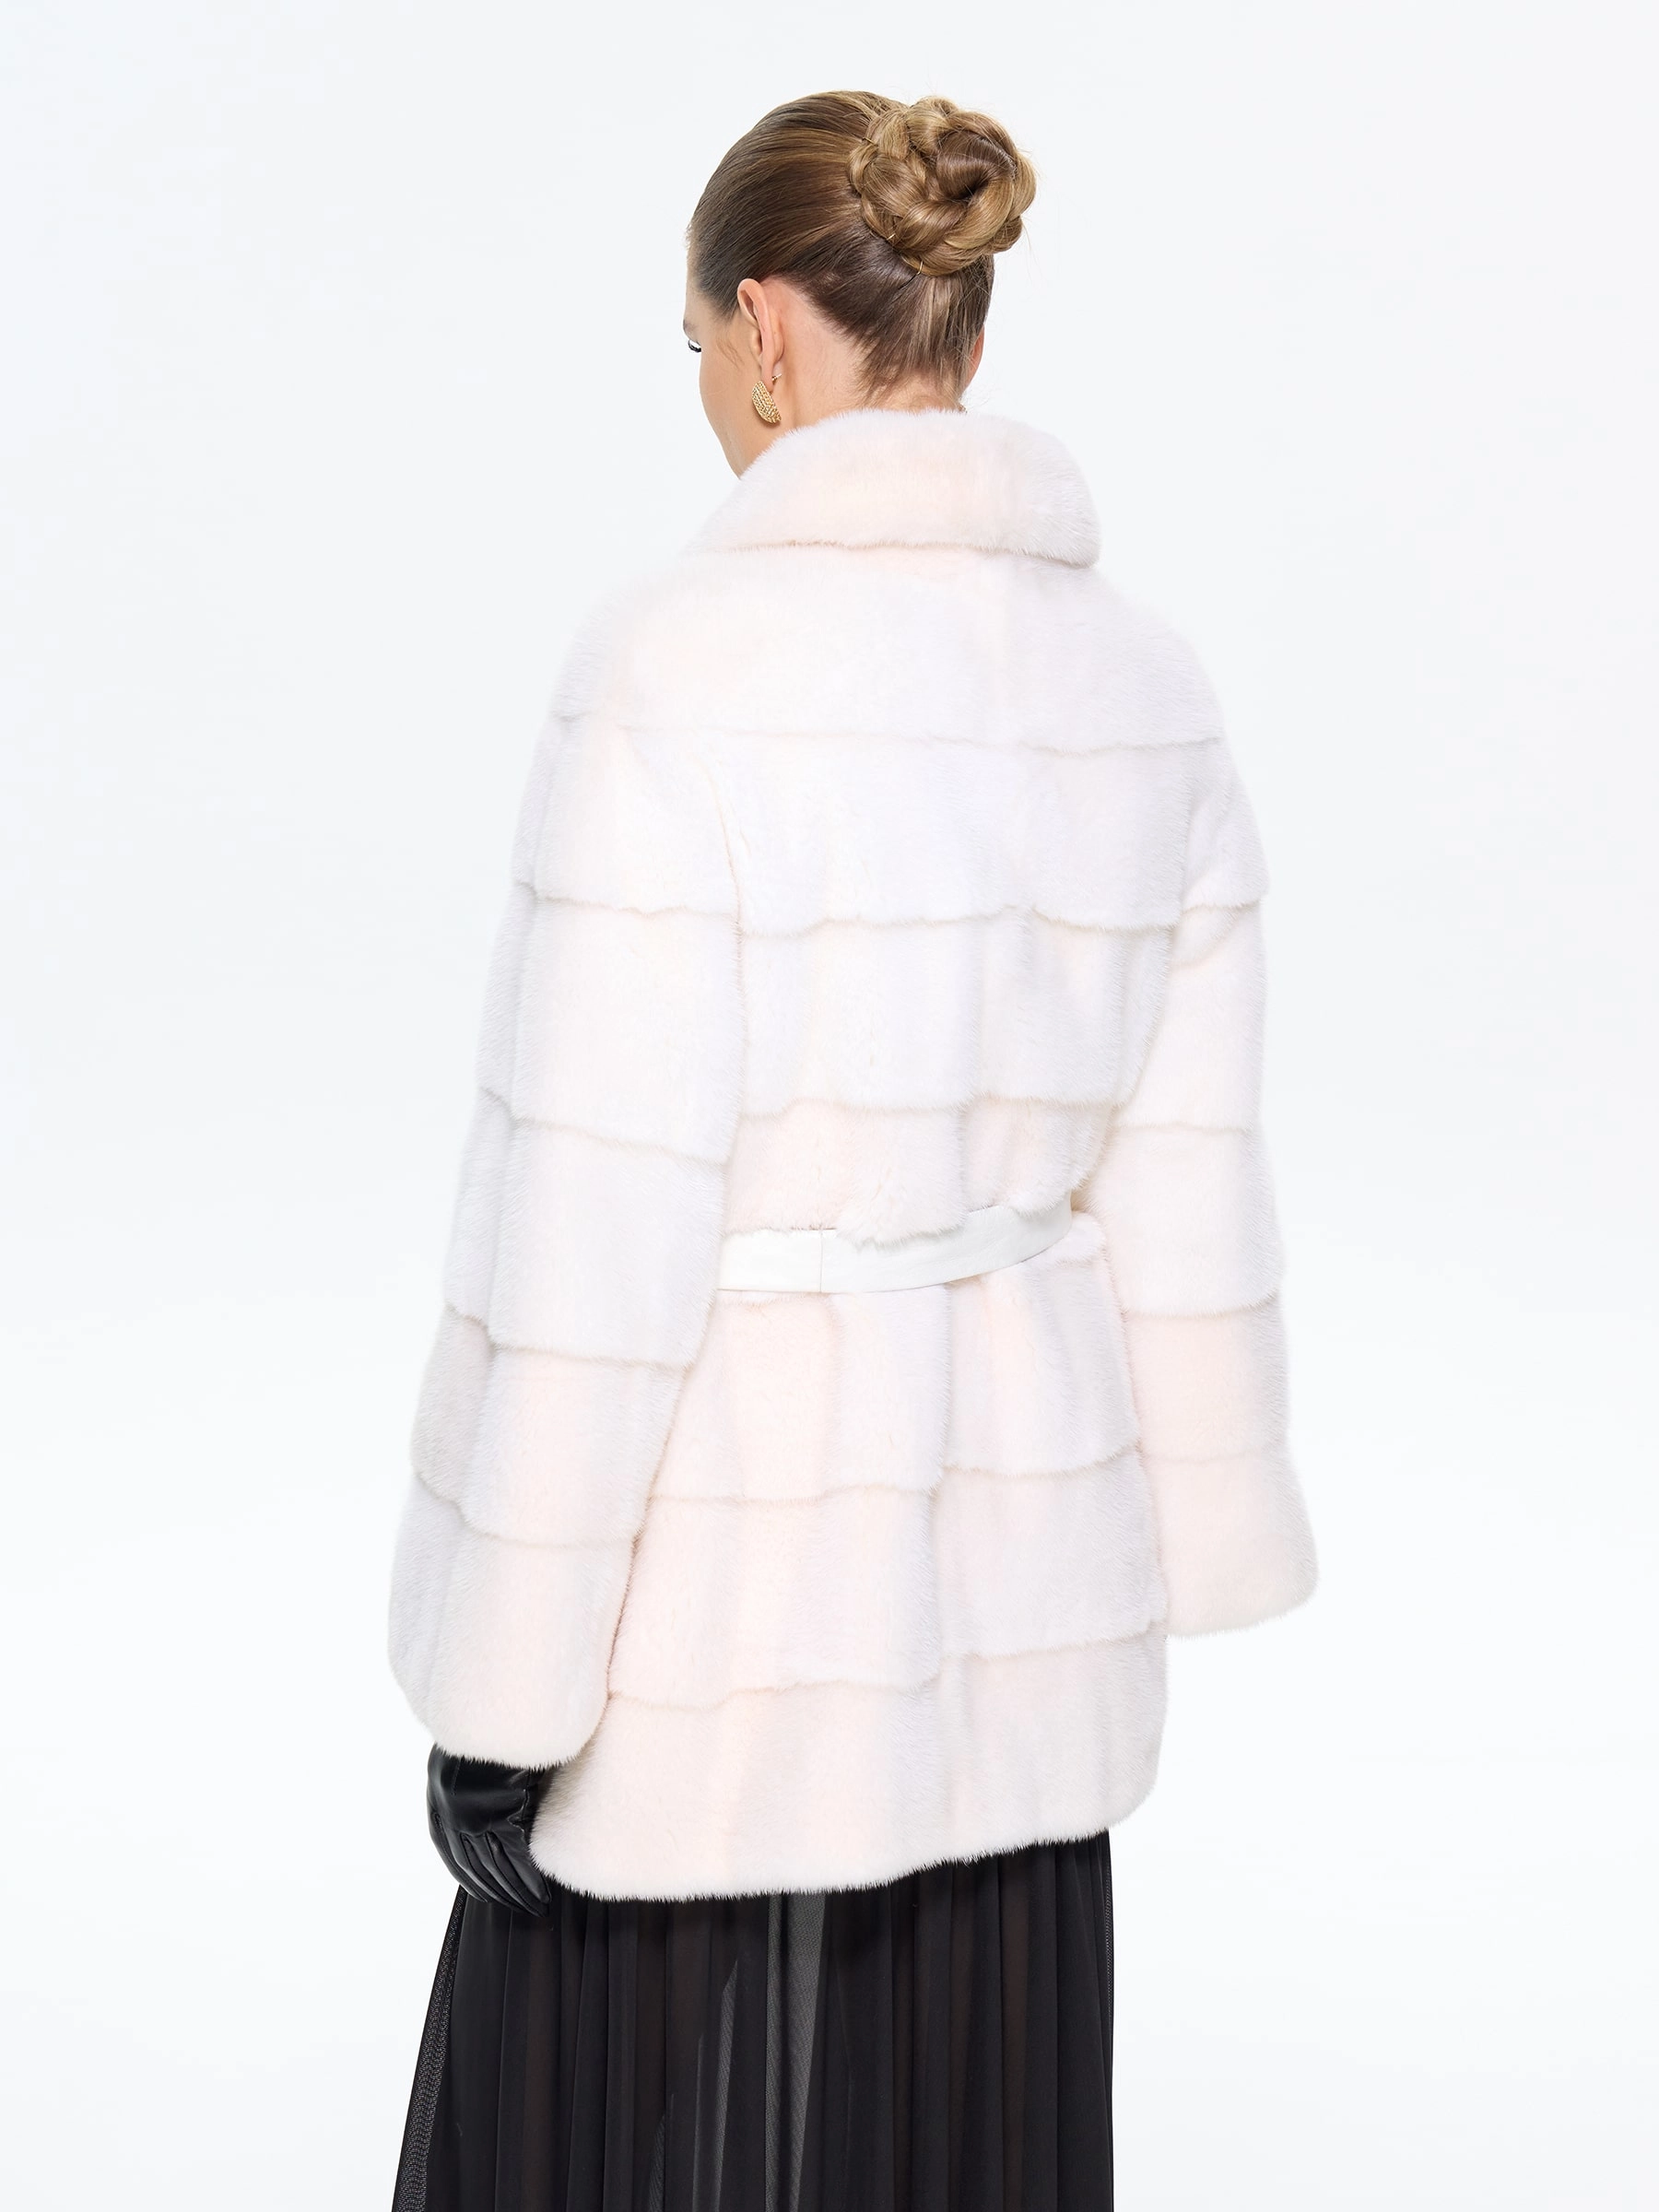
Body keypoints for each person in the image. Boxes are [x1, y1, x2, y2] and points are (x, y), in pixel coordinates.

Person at [388, 88, 1317, 2212]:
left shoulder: (676, 673)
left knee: (587, 2130)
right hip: (1013, 1599)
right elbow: (1184, 1179)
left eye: (695, 346)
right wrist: (1190, 1539)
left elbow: (593, 1237)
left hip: (719, 1614)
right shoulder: (1142, 681)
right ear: (960, 326)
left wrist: (504, 1690)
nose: (709, 393)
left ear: (764, 327)